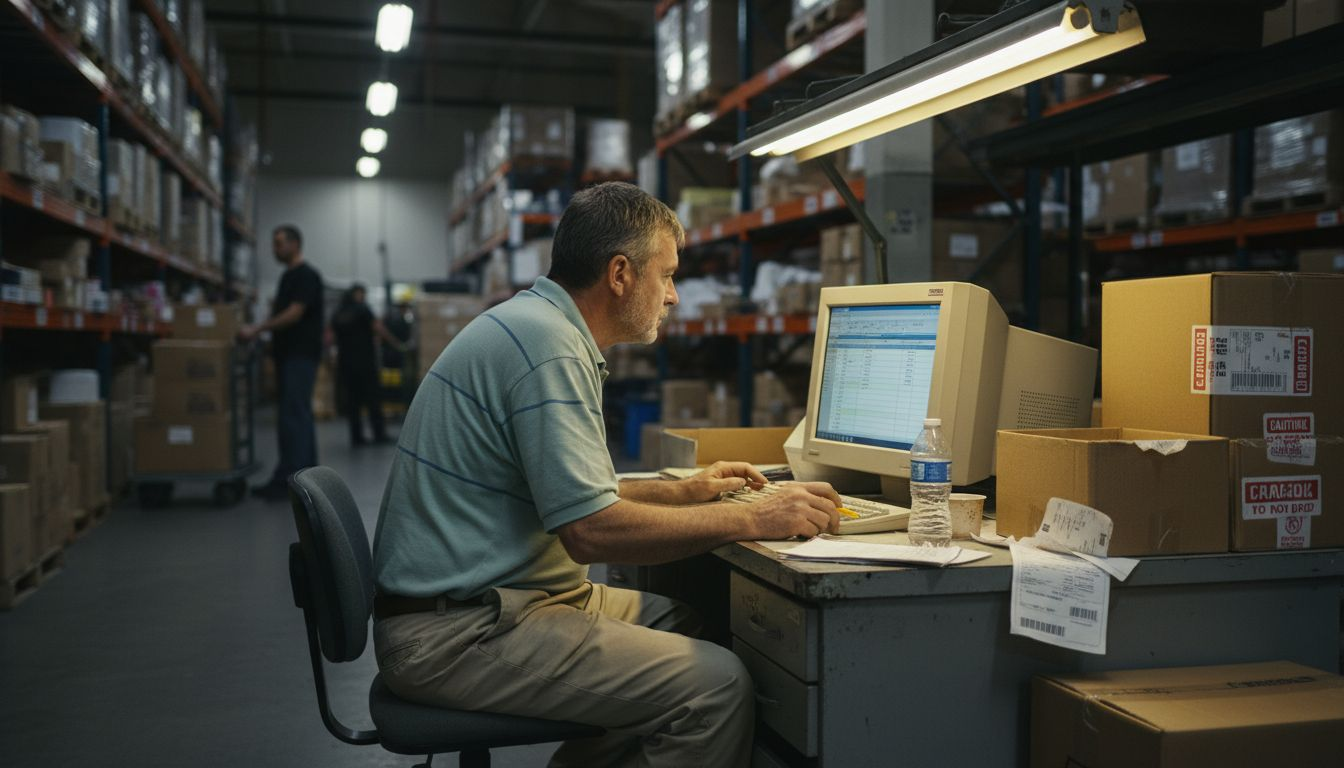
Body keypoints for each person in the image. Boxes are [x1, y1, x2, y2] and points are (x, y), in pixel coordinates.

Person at [371, 182, 841, 767]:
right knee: (715, 687)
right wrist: (751, 516)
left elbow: (564, 492)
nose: (672, 296)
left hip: (490, 601)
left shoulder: (537, 325)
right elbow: (590, 530)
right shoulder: (549, 349)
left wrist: (684, 492)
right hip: (459, 633)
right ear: (620, 274)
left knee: (689, 625)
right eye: (666, 275)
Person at [240, 224, 324, 501]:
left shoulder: (306, 276)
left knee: (293, 417)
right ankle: (303, 478)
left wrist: (258, 328)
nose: (275, 249)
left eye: (279, 243)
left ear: (295, 244)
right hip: (289, 356)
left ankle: (293, 481)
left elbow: (294, 314)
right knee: (297, 416)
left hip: (300, 356)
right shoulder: (288, 277)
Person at [329, 283, 404, 446]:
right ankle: (379, 434)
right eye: (361, 293)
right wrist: (396, 343)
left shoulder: (338, 313)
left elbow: (331, 337)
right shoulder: (362, 309)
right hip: (365, 362)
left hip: (346, 363)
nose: (363, 297)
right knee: (373, 399)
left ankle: (356, 437)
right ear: (356, 294)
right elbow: (378, 328)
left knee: (353, 401)